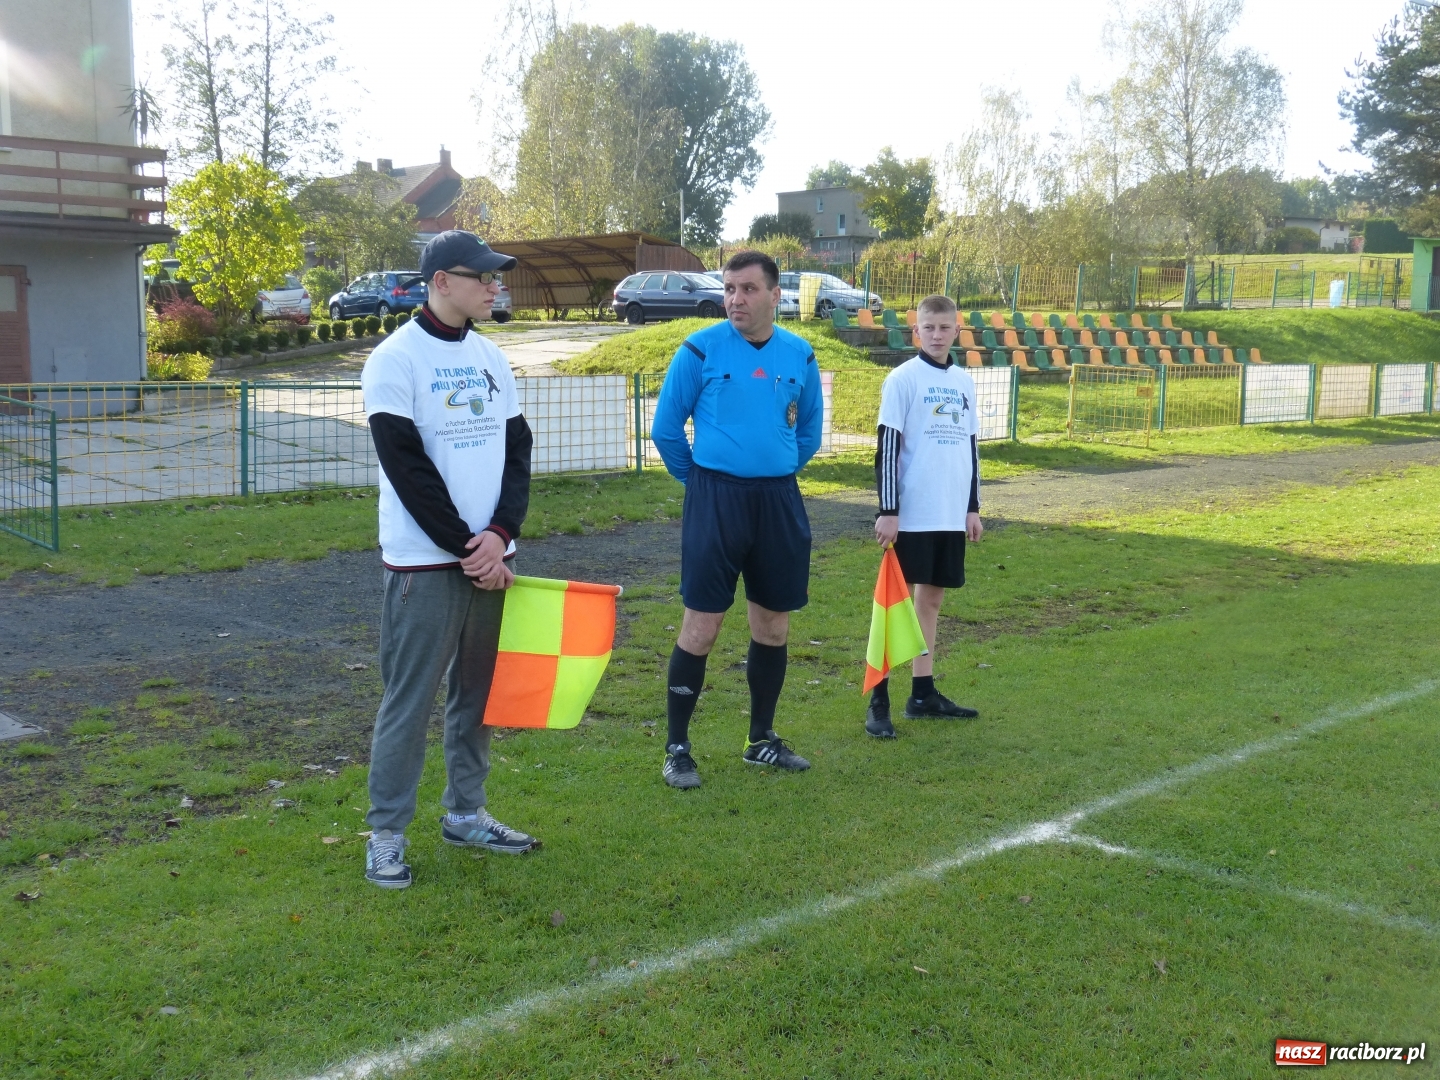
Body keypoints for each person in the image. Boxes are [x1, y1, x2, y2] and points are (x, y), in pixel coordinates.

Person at [359, 230, 539, 889]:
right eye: (483, 277)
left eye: (496, 278)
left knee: (479, 698)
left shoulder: (493, 357)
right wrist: (470, 549)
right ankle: (385, 835)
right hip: (428, 565)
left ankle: (466, 813)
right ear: (441, 282)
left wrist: (499, 533)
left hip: (493, 559)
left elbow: (516, 454)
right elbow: (407, 468)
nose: (495, 287)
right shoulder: (394, 360)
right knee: (409, 701)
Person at [650, 250, 824, 789]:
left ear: (776, 295)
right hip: (715, 501)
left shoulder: (800, 355)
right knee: (702, 624)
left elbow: (809, 432)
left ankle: (760, 739)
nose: (735, 299)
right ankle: (678, 747)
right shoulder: (699, 349)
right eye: (729, 289)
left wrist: (771, 469)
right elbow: (666, 431)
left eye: (748, 289)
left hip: (777, 501)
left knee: (772, 625)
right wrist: (704, 483)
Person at [867, 293, 983, 738]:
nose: (937, 335)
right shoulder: (902, 379)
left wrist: (972, 507)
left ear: (957, 329)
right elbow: (889, 448)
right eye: (928, 327)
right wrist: (888, 510)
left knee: (930, 602)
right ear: (916, 331)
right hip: (910, 514)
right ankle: (879, 699)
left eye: (945, 327)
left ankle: (922, 693)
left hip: (950, 512)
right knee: (892, 607)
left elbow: (970, 449)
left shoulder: (965, 383)